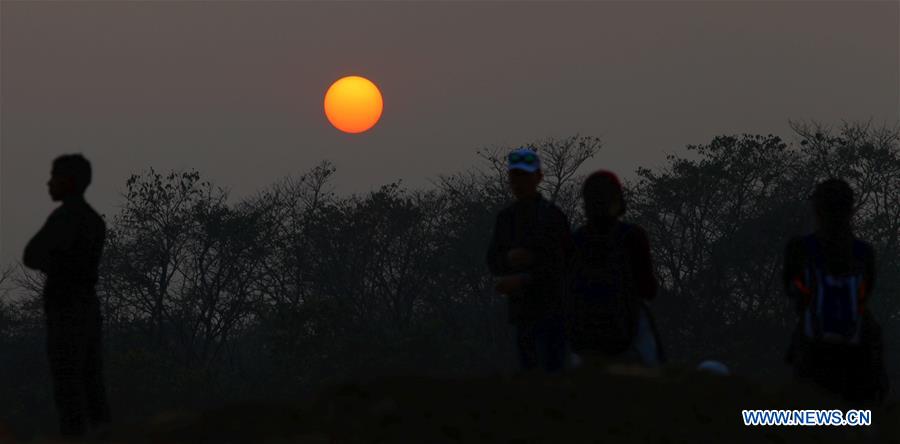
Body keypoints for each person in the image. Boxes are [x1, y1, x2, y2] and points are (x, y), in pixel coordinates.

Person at [23, 154, 111, 438]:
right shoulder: (94, 221)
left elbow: (31, 255)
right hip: (88, 308)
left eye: (55, 177)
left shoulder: (64, 218)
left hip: (66, 310)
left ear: (69, 182)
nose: (49, 183)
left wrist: (55, 264)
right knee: (91, 381)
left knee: (68, 385)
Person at [783, 178, 887, 404]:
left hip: (811, 347)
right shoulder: (863, 252)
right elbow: (866, 292)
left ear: (817, 210)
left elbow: (790, 288)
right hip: (857, 349)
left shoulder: (800, 248)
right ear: (851, 210)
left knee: (808, 409)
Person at [564, 170, 664, 367]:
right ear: (617, 201)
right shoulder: (633, 236)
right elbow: (647, 289)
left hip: (584, 338)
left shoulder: (576, 240)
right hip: (627, 332)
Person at [486, 148, 573, 373]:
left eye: (524, 176)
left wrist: (525, 277)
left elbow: (563, 265)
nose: (519, 183)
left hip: (553, 310)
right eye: (515, 176)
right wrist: (509, 260)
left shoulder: (553, 217)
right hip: (522, 313)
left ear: (538, 177)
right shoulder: (506, 219)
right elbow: (493, 261)